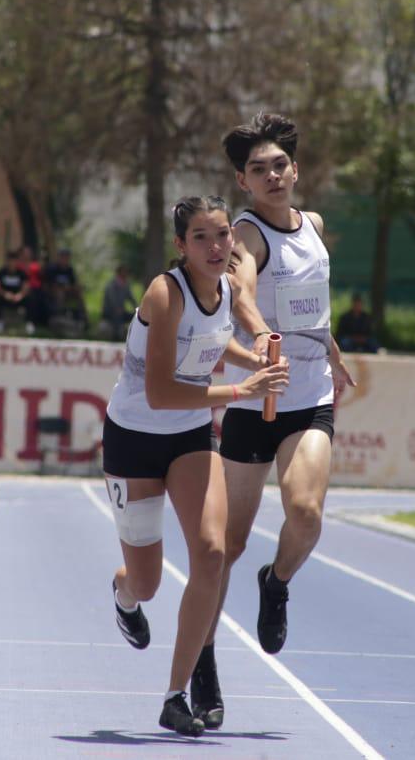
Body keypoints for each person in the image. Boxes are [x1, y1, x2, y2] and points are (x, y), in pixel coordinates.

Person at [101, 195, 287, 736]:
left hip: (190, 436)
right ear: (181, 246)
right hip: (134, 438)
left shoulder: (226, 288)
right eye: (201, 237)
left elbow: (213, 339)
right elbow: (159, 393)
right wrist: (242, 388)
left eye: (223, 235)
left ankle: (175, 694)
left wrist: (252, 358)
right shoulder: (165, 292)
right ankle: (124, 594)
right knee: (148, 581)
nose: (215, 246)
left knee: (211, 552)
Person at [194, 112, 355, 729]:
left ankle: (278, 580)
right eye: (257, 169)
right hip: (255, 400)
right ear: (244, 181)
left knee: (306, 514)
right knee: (225, 547)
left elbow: (312, 302)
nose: (271, 176)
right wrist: (260, 333)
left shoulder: (312, 226)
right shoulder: (245, 235)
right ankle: (204, 658)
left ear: (296, 170)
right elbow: (244, 293)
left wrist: (330, 348)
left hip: (309, 392)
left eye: (279, 165)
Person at [0, 249, 30, 332]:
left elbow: (26, 288)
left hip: (18, 298)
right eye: (10, 261)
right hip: (5, 297)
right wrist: (5, 294)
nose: (12, 263)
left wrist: (20, 295)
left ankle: (28, 322)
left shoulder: (21, 273)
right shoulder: (2, 272)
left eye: (14, 261)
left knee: (30, 299)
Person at [101, 264, 137, 342]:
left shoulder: (126, 285)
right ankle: (116, 336)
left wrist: (137, 309)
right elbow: (111, 300)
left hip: (120, 310)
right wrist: (117, 309)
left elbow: (131, 298)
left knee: (134, 316)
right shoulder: (111, 285)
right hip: (109, 311)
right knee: (118, 315)